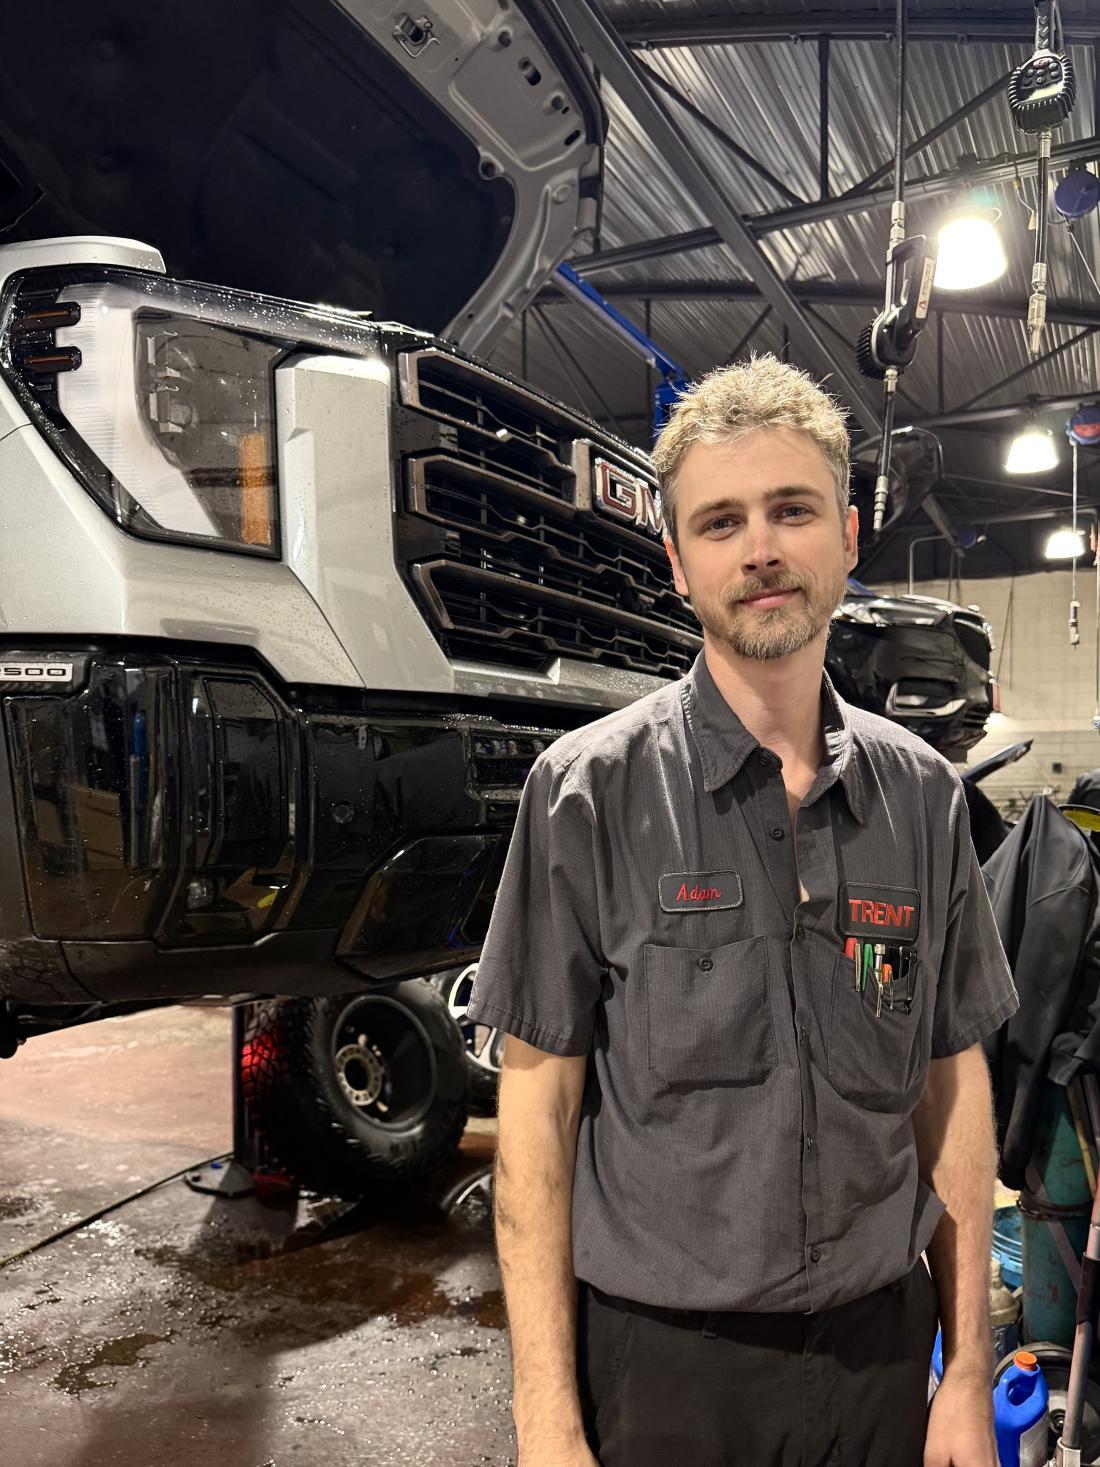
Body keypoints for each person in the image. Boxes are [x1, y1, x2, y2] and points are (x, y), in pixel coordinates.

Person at [465, 355, 1020, 1467]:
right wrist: (544, 1421)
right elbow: (535, 1115)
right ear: (675, 562)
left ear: (847, 537)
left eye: (790, 510)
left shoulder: (918, 797)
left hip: (878, 1352)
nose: (759, 548)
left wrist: (962, 1372)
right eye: (719, 522)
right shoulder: (587, 794)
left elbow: (950, 1084)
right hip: (664, 1375)